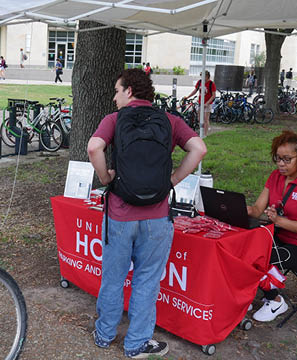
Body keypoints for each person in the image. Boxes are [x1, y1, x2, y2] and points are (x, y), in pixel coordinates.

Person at [87, 68, 207, 358]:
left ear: (129, 91)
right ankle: (136, 344)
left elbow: (94, 147)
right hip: (156, 217)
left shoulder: (114, 120)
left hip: (120, 213)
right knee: (147, 281)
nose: (115, 97)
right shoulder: (169, 120)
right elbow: (199, 148)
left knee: (113, 278)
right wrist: (173, 180)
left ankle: (104, 335)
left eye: (117, 91)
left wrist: (105, 179)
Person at [247, 130, 297, 322]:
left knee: (261, 256)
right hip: (277, 235)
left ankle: (276, 300)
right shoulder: (275, 176)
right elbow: (257, 209)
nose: (281, 164)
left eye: (287, 159)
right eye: (277, 158)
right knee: (244, 246)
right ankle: (246, 294)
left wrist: (279, 221)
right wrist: (236, 208)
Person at [183, 70, 216, 137]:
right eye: (201, 76)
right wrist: (188, 96)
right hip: (200, 102)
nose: (202, 78)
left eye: (204, 76)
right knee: (200, 118)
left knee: (206, 118)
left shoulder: (211, 84)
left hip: (208, 104)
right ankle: (203, 129)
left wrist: (207, 103)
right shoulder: (200, 82)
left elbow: (213, 95)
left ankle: (205, 134)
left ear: (207, 76)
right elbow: (195, 90)